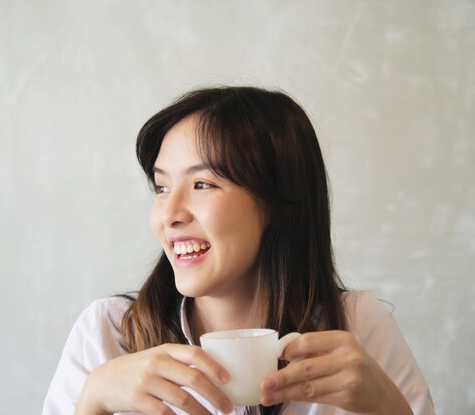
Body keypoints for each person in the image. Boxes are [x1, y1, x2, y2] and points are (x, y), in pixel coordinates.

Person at [42, 86, 435, 415]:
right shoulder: (107, 334)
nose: (169, 215)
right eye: (162, 188)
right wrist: (90, 403)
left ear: (276, 205)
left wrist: (390, 408)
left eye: (203, 184)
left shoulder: (357, 327)